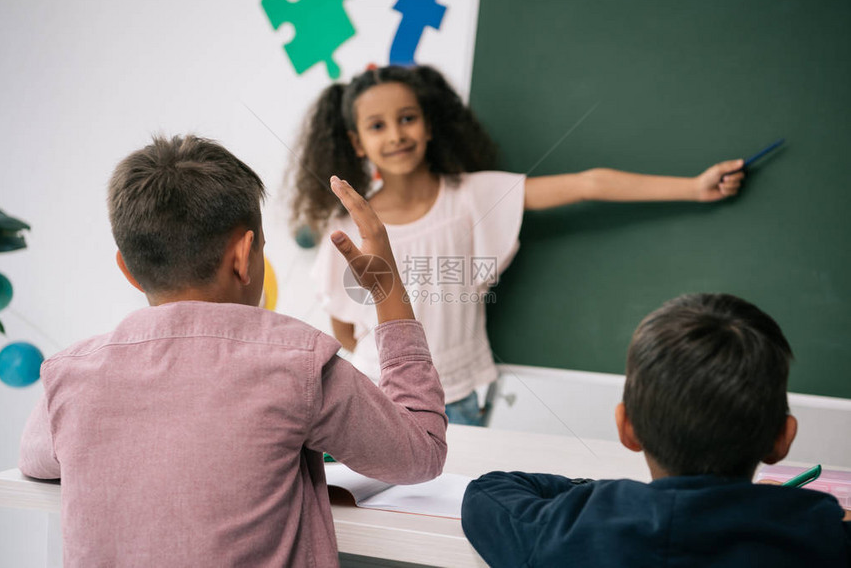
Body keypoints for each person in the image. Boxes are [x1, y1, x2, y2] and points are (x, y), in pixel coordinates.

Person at [18, 135, 447, 567]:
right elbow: (422, 454)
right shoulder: (300, 363)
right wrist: (387, 290)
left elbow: (35, 460)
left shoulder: (69, 376)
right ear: (244, 256)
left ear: (128, 270)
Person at [292, 64, 747, 426]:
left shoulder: (472, 197)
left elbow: (588, 184)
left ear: (429, 126)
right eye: (377, 126)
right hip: (378, 401)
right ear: (357, 142)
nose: (395, 135)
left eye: (407, 118)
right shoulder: (346, 224)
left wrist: (693, 187)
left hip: (460, 401)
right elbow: (347, 331)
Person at [461, 293, 851, 567]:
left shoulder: (572, 530)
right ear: (782, 438)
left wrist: (605, 495)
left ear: (627, 428)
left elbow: (487, 493)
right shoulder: (819, 535)